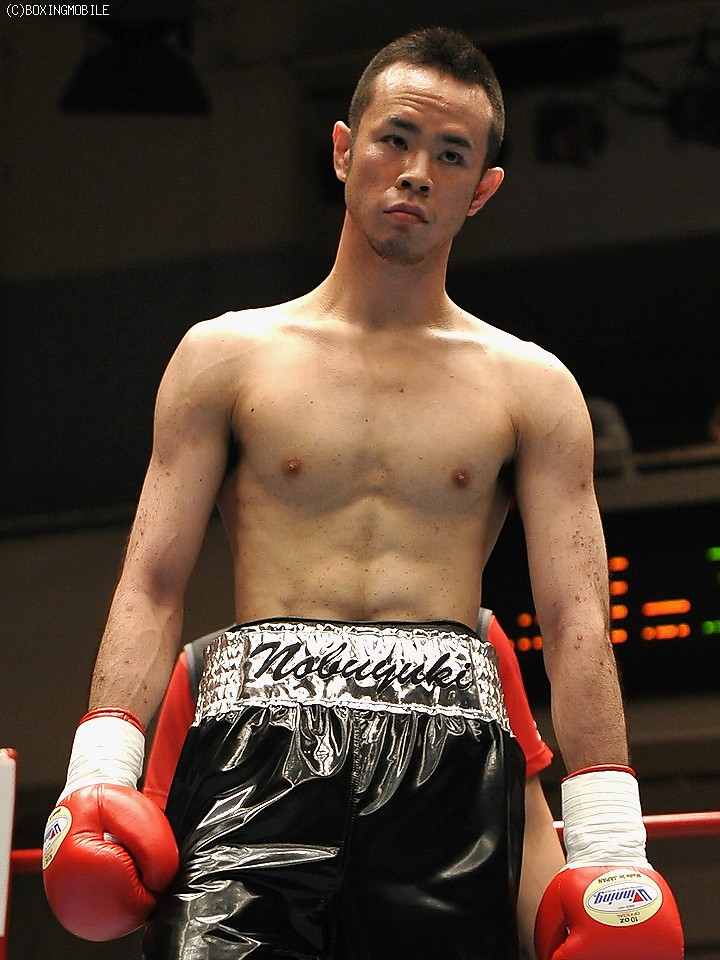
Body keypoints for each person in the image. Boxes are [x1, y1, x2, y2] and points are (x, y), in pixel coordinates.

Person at [42, 26, 683, 960]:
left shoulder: (533, 388)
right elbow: (152, 580)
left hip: (448, 777)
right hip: (254, 760)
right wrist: (99, 774)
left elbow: (577, 618)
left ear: (483, 188)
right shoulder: (223, 357)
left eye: (451, 154)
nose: (417, 173)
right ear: (344, 149)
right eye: (395, 139)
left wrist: (610, 843)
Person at [140, 612, 564, 959]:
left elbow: (528, 821)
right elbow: (163, 852)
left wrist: (561, 943)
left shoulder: (473, 645)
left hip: (433, 893)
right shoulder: (210, 667)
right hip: (250, 885)